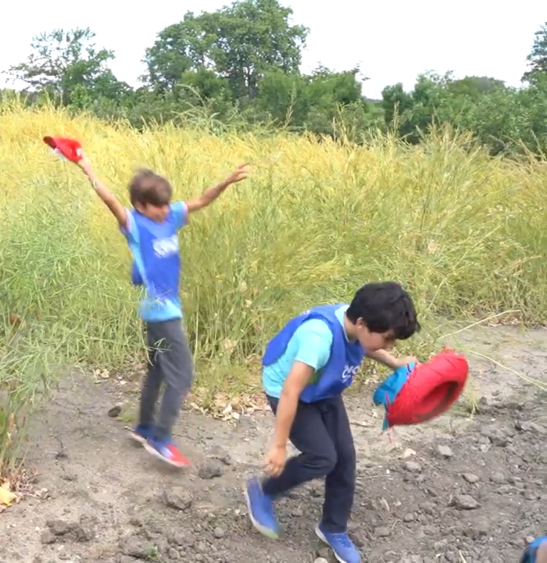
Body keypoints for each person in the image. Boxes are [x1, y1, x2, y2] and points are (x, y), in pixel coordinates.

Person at [66, 149, 250, 468]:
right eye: (158, 206)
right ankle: (161, 439)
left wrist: (226, 182)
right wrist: (86, 166)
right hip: (161, 310)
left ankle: (144, 427)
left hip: (158, 311)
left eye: (167, 204)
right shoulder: (134, 225)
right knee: (183, 374)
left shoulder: (170, 217)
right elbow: (110, 200)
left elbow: (201, 201)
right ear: (140, 206)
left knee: (158, 370)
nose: (165, 210)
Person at [244, 281, 421, 563]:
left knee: (345, 457)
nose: (389, 345)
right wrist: (278, 445)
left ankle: (333, 527)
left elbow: (369, 345)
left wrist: (396, 362)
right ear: (362, 323)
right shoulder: (318, 337)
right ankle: (263, 491)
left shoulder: (357, 325)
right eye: (388, 338)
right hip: (289, 392)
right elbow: (291, 390)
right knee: (322, 457)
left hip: (323, 387)